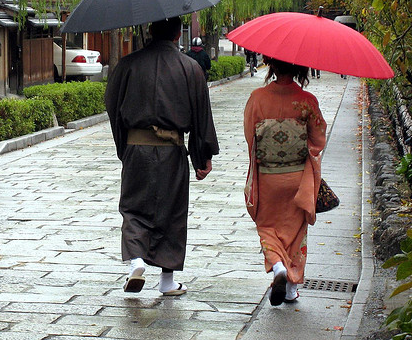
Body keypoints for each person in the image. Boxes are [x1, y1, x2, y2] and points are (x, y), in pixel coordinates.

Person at [105, 17, 219, 296]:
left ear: (150, 31)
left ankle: (136, 261)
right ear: (178, 34)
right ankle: (167, 282)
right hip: (171, 151)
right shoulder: (190, 68)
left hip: (136, 148)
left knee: (133, 208)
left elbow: (112, 105)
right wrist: (201, 156)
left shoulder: (127, 65)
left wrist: (125, 147)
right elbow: (201, 113)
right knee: (172, 212)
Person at [243, 57, 327, 305]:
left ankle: (277, 266)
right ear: (299, 68)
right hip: (297, 177)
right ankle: (291, 288)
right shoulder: (307, 101)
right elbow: (319, 139)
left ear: (272, 67)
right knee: (296, 231)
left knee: (267, 227)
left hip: (268, 178)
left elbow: (251, 137)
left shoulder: (257, 98)